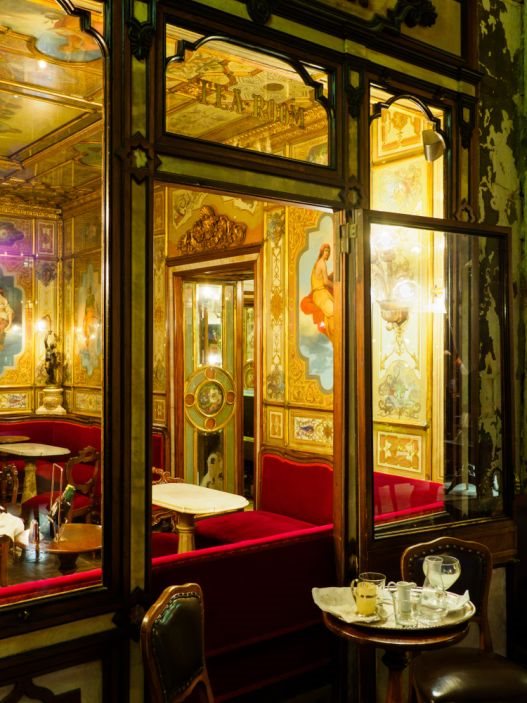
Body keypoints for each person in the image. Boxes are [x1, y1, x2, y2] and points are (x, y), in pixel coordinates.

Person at [300, 243, 335, 342]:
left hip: (321, 293)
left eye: (329, 251)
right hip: (320, 294)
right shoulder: (322, 263)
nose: (327, 253)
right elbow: (326, 282)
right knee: (334, 310)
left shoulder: (318, 263)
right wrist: (337, 286)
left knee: (335, 309)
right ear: (322, 252)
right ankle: (332, 332)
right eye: (326, 251)